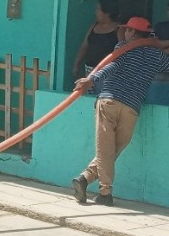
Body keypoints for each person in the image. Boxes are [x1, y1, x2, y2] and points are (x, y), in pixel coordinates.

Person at [72, 17, 169, 207]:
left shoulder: (123, 47)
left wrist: (91, 79)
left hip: (109, 101)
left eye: (127, 30)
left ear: (133, 33)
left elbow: (111, 66)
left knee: (106, 149)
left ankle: (99, 188)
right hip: (131, 107)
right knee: (112, 149)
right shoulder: (156, 56)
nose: (124, 32)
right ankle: (91, 183)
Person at [72, 0, 121, 94]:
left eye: (98, 10)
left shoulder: (118, 29)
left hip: (107, 72)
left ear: (107, 12)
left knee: (103, 96)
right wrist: (76, 63)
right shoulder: (94, 26)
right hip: (90, 70)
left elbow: (121, 50)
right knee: (90, 97)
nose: (96, 12)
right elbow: (84, 46)